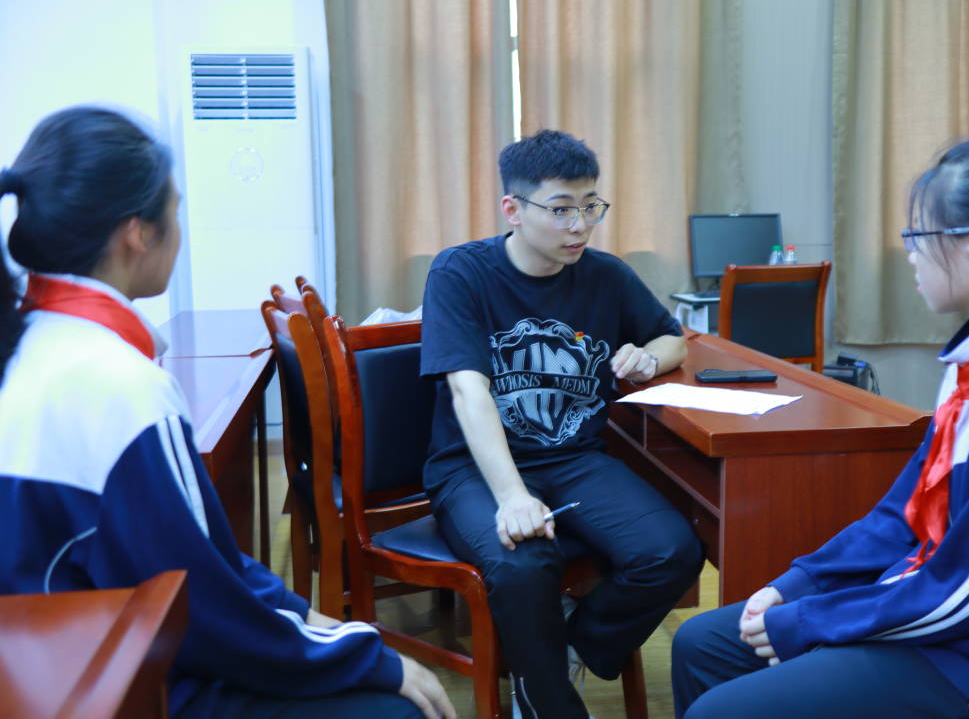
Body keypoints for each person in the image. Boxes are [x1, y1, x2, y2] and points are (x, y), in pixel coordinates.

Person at [0, 106, 456, 719]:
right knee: (394, 708)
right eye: (175, 210)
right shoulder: (118, 386)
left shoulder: (31, 347)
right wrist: (367, 656)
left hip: (51, 662)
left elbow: (195, 562)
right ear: (137, 232)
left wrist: (304, 613)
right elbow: (202, 607)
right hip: (108, 680)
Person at [671, 136, 969, 719]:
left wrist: (814, 620)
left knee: (722, 709)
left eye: (917, 237)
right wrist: (797, 586)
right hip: (937, 611)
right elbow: (903, 513)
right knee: (701, 644)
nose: (909, 254)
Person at [421, 129, 704, 718]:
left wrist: (648, 357)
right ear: (513, 210)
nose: (580, 226)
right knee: (524, 564)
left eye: (590, 207)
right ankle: (546, 700)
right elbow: (468, 390)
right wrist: (511, 496)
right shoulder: (461, 272)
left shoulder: (606, 275)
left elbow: (673, 339)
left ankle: (563, 651)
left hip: (574, 460)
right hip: (473, 469)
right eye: (561, 210)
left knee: (672, 551)